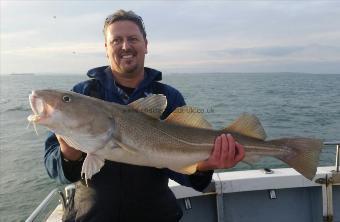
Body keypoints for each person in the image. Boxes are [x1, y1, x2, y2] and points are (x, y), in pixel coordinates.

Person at [44, 9, 245, 222]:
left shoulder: (168, 96)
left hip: (155, 214)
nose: (125, 46)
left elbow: (181, 172)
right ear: (106, 48)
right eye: (116, 40)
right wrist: (68, 153)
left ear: (146, 45)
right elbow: (54, 169)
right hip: (92, 217)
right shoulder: (83, 94)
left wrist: (204, 166)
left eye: (132, 39)